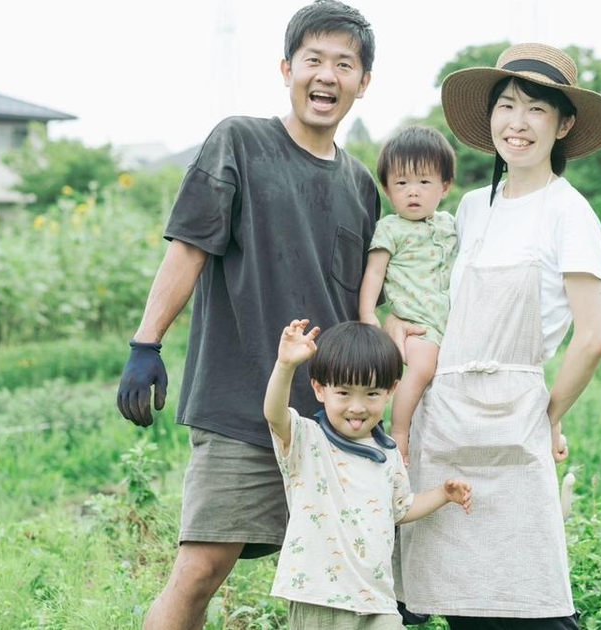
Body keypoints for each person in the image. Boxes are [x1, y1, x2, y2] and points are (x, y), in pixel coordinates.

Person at [114, 2, 380, 628]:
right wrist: (146, 343)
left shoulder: (363, 186)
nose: (327, 76)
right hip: (240, 403)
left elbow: (367, 307)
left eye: (344, 65)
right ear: (287, 69)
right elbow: (189, 247)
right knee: (200, 570)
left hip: (330, 420)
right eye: (313, 60)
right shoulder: (240, 142)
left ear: (363, 82)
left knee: (338, 577)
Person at [394, 43, 601, 628]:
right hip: (445, 416)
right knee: (454, 597)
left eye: (536, 109)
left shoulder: (569, 212)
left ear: (563, 125)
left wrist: (547, 416)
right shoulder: (472, 207)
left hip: (514, 418)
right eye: (507, 105)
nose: (517, 123)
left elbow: (592, 337)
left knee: (529, 600)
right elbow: (436, 300)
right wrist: (394, 322)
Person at [263, 319, 473, 630]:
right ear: (320, 389)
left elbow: (400, 508)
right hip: (320, 595)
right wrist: (285, 365)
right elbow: (274, 414)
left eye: (372, 393)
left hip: (377, 600)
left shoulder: (388, 453)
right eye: (344, 393)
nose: (358, 407)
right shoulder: (306, 440)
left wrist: (442, 495)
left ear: (391, 391)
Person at [358, 126, 458, 464]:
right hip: (416, 323)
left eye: (424, 182)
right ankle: (400, 433)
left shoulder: (449, 225)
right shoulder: (390, 228)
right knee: (422, 368)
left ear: (445, 186)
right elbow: (374, 272)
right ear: (387, 189)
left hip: (447, 325)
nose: (412, 192)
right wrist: (368, 314)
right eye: (401, 183)